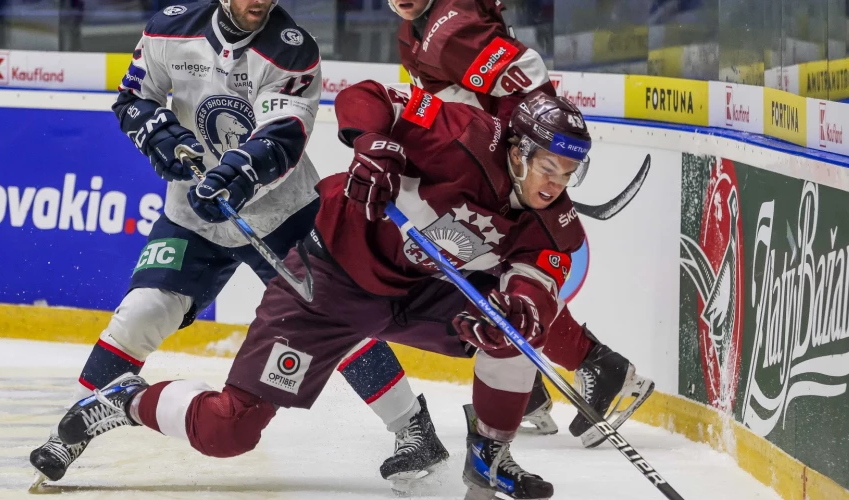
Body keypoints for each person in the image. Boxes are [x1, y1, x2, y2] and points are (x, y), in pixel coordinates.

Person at [54, 83, 599, 500]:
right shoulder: (460, 132)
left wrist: (522, 309)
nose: (555, 183)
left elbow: (539, 278)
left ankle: (489, 455)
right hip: (329, 280)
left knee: (513, 331)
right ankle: (124, 400)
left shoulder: (557, 221)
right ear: (520, 151)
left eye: (568, 172)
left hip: (421, 293)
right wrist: (375, 145)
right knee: (229, 429)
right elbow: (368, 96)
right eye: (549, 166)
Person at [27, 0, 445, 486]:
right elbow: (131, 98)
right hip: (191, 218)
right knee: (141, 312)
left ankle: (413, 428)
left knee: (337, 319)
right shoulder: (169, 29)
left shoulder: (291, 49)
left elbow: (284, 135)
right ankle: (73, 428)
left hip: (283, 214)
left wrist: (235, 174)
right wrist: (156, 132)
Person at [387, 0, 655, 446]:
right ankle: (543, 387)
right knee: (486, 280)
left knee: (490, 278)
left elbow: (528, 76)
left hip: (506, 174)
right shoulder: (413, 29)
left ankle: (595, 369)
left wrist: (534, 163)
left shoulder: (453, 26)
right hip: (487, 172)